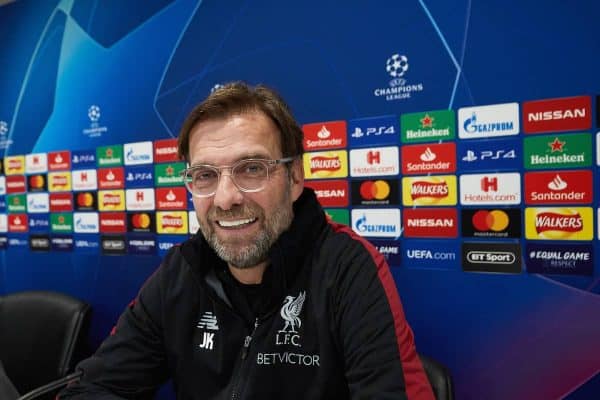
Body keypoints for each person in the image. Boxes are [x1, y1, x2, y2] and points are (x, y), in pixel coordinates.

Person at [58, 82, 435, 399]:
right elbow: (94, 388)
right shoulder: (182, 271)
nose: (226, 198)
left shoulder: (348, 267)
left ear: (295, 177)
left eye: (252, 169)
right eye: (205, 175)